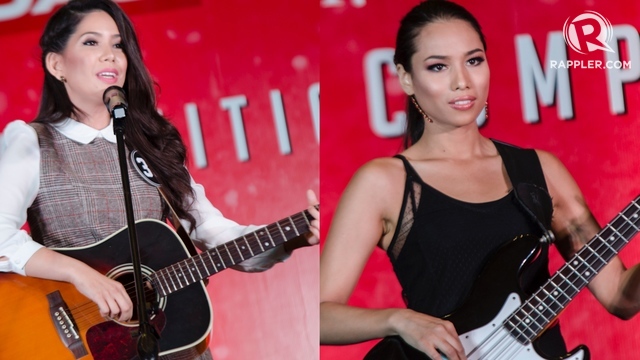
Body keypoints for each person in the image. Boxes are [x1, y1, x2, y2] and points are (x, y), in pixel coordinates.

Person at [319, 1, 640, 359]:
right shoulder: (384, 182)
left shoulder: (539, 171)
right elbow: (320, 315)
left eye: (474, 61)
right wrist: (399, 320)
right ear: (406, 77)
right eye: (438, 66)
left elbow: (619, 297)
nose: (462, 82)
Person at [0, 1, 319, 359]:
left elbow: (215, 233)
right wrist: (81, 275)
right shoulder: (31, 141)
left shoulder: (152, 144)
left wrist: (289, 239)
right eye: (92, 43)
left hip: (169, 347)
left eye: (117, 45)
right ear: (57, 64)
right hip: (81, 343)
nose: (110, 56)